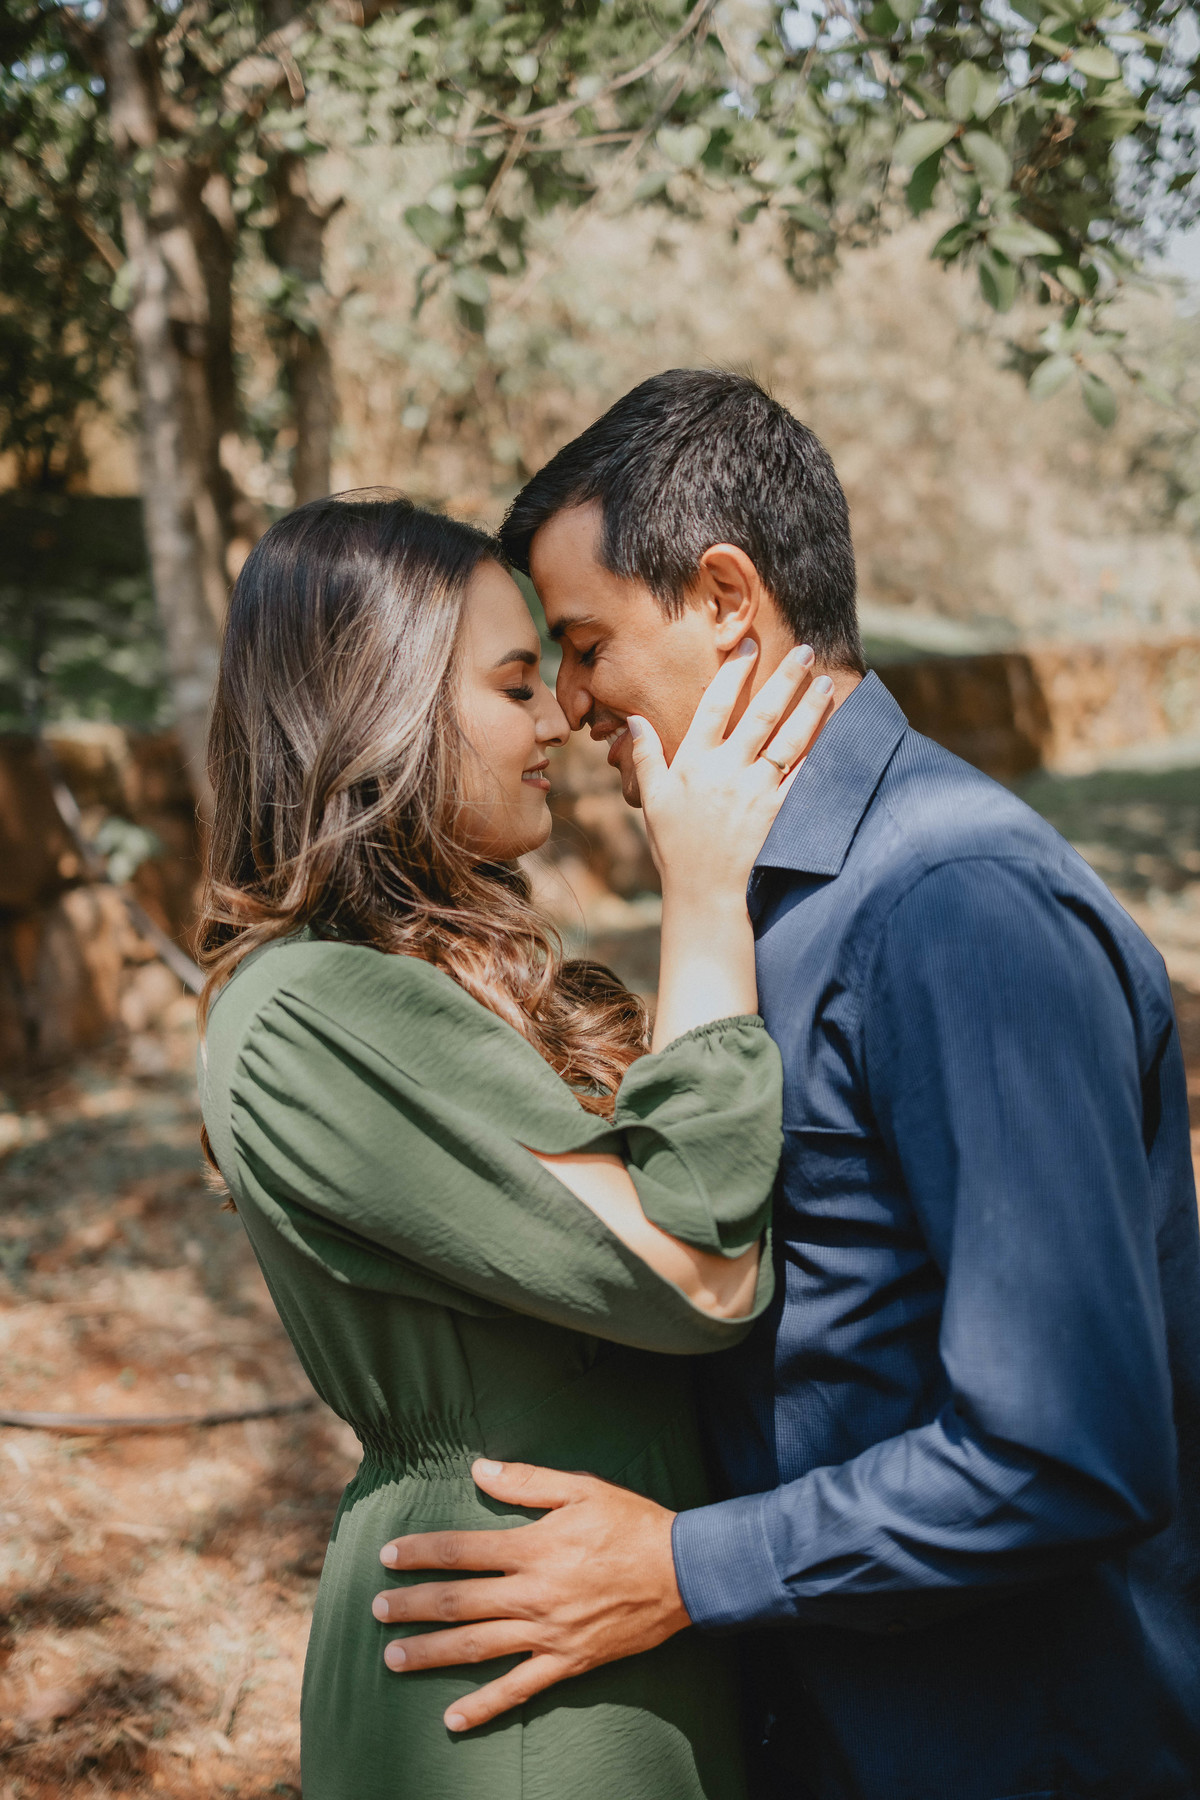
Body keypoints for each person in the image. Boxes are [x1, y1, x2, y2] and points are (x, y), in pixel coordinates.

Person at [379, 372, 1200, 1800]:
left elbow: (1067, 1451)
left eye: (586, 645)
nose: (569, 705)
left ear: (725, 598)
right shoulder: (758, 900)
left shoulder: (954, 907)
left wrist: (682, 1571)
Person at [196, 488, 837, 1800]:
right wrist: (704, 898)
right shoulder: (311, 1005)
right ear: (381, 709)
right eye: (513, 685)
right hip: (510, 1682)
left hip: (596, 1622)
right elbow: (693, 1268)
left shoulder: (412, 982)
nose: (558, 720)